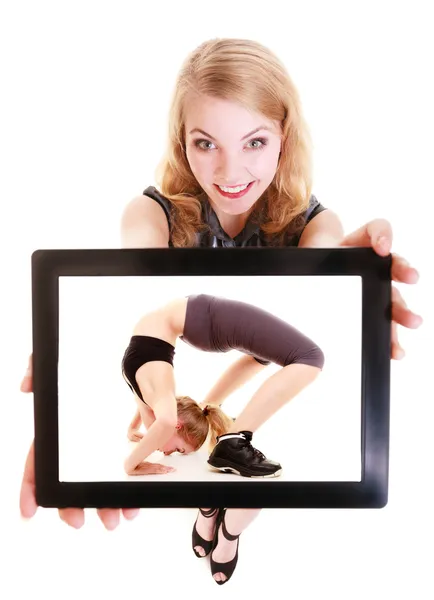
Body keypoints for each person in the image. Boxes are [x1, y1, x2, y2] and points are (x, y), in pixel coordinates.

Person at [19, 37, 422, 585]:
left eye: (255, 141)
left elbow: (317, 264)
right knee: (308, 355)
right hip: (201, 322)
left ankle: (221, 512)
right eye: (205, 143)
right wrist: (63, 335)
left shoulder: (314, 224)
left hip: (203, 326)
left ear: (285, 137)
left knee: (266, 357)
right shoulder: (151, 212)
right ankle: (232, 455)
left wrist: (349, 281)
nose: (230, 170)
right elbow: (131, 264)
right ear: (181, 143)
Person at [121, 293, 324, 476]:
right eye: (178, 450)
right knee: (278, 357)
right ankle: (222, 424)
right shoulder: (152, 392)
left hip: (202, 317)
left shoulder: (157, 398)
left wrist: (132, 463)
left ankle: (232, 442)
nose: (168, 452)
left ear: (177, 423)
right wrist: (135, 431)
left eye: (177, 450)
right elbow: (162, 422)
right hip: (198, 317)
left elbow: (164, 423)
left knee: (310, 358)